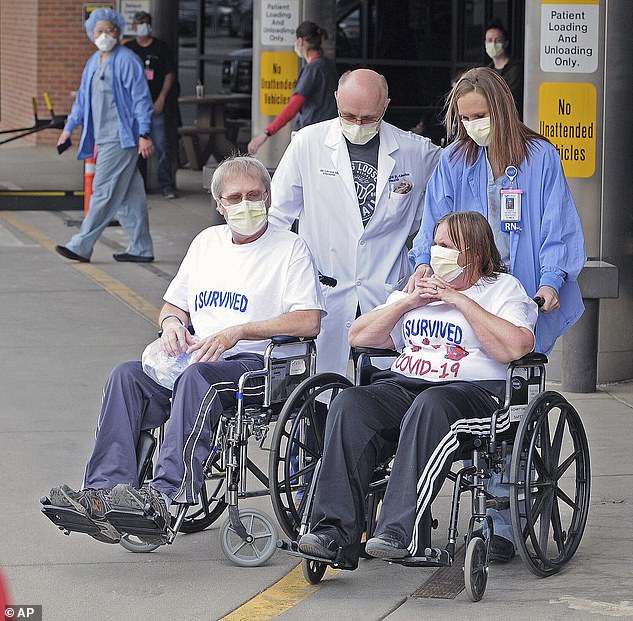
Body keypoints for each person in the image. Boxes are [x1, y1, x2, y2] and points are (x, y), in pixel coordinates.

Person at [44, 156, 325, 544]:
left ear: (270, 197)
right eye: (235, 197)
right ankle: (102, 494)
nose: (246, 205)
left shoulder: (290, 248)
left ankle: (163, 496)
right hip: (196, 355)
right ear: (220, 205)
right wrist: (172, 324)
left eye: (254, 195)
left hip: (256, 365)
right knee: (127, 376)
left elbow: (309, 320)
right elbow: (174, 305)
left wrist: (237, 332)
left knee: (199, 379)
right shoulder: (206, 243)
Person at [407, 66, 586, 558]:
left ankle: (505, 523)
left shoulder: (539, 158)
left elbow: (557, 226)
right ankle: (411, 514)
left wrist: (550, 283)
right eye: (464, 118)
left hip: (517, 296)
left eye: (481, 116)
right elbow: (431, 231)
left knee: (513, 401)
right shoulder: (453, 162)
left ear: (501, 110)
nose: (473, 126)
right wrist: (424, 270)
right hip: (464, 295)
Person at [297, 212, 538, 567]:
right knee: (350, 403)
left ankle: (397, 531)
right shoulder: (418, 288)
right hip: (407, 383)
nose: (435, 253)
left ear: (473, 253)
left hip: (470, 392)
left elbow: (516, 347)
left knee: (431, 404)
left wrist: (459, 300)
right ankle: (333, 533)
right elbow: (359, 336)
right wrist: (409, 301)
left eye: (445, 246)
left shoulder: (502, 289)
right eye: (435, 244)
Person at [270, 68, 441, 376]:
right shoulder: (308, 143)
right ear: (336, 99)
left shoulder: (418, 152)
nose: (358, 125)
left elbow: (442, 205)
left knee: (384, 390)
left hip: (386, 287)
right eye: (348, 116)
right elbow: (278, 216)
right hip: (325, 287)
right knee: (320, 390)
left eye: (367, 118)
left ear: (386, 106)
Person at [55, 8, 155, 264]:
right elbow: (81, 100)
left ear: (118, 32)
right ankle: (141, 248)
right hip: (103, 137)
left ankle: (81, 244)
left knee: (103, 190)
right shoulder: (93, 61)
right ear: (91, 33)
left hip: (121, 138)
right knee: (129, 194)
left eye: (109, 30)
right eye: (98, 30)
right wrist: (68, 130)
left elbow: (141, 99)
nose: (103, 35)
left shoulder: (126, 60)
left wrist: (144, 132)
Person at [247, 21, 338, 155]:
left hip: (311, 135)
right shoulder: (328, 66)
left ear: (300, 41)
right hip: (329, 134)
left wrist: (267, 133)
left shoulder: (313, 69)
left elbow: (293, 106)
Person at [125, 10, 178, 199]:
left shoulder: (160, 48)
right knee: (136, 149)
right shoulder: (128, 49)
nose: (143, 26)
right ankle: (140, 188)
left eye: (146, 22)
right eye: (139, 23)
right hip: (135, 110)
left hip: (155, 106)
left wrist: (162, 98)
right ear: (133, 26)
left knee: (162, 146)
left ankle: (167, 186)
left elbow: (169, 74)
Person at [484, 19, 523, 118]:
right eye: (489, 40)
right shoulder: (487, 71)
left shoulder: (515, 69)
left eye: (498, 40)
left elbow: (508, 97)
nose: (493, 44)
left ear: (505, 43)